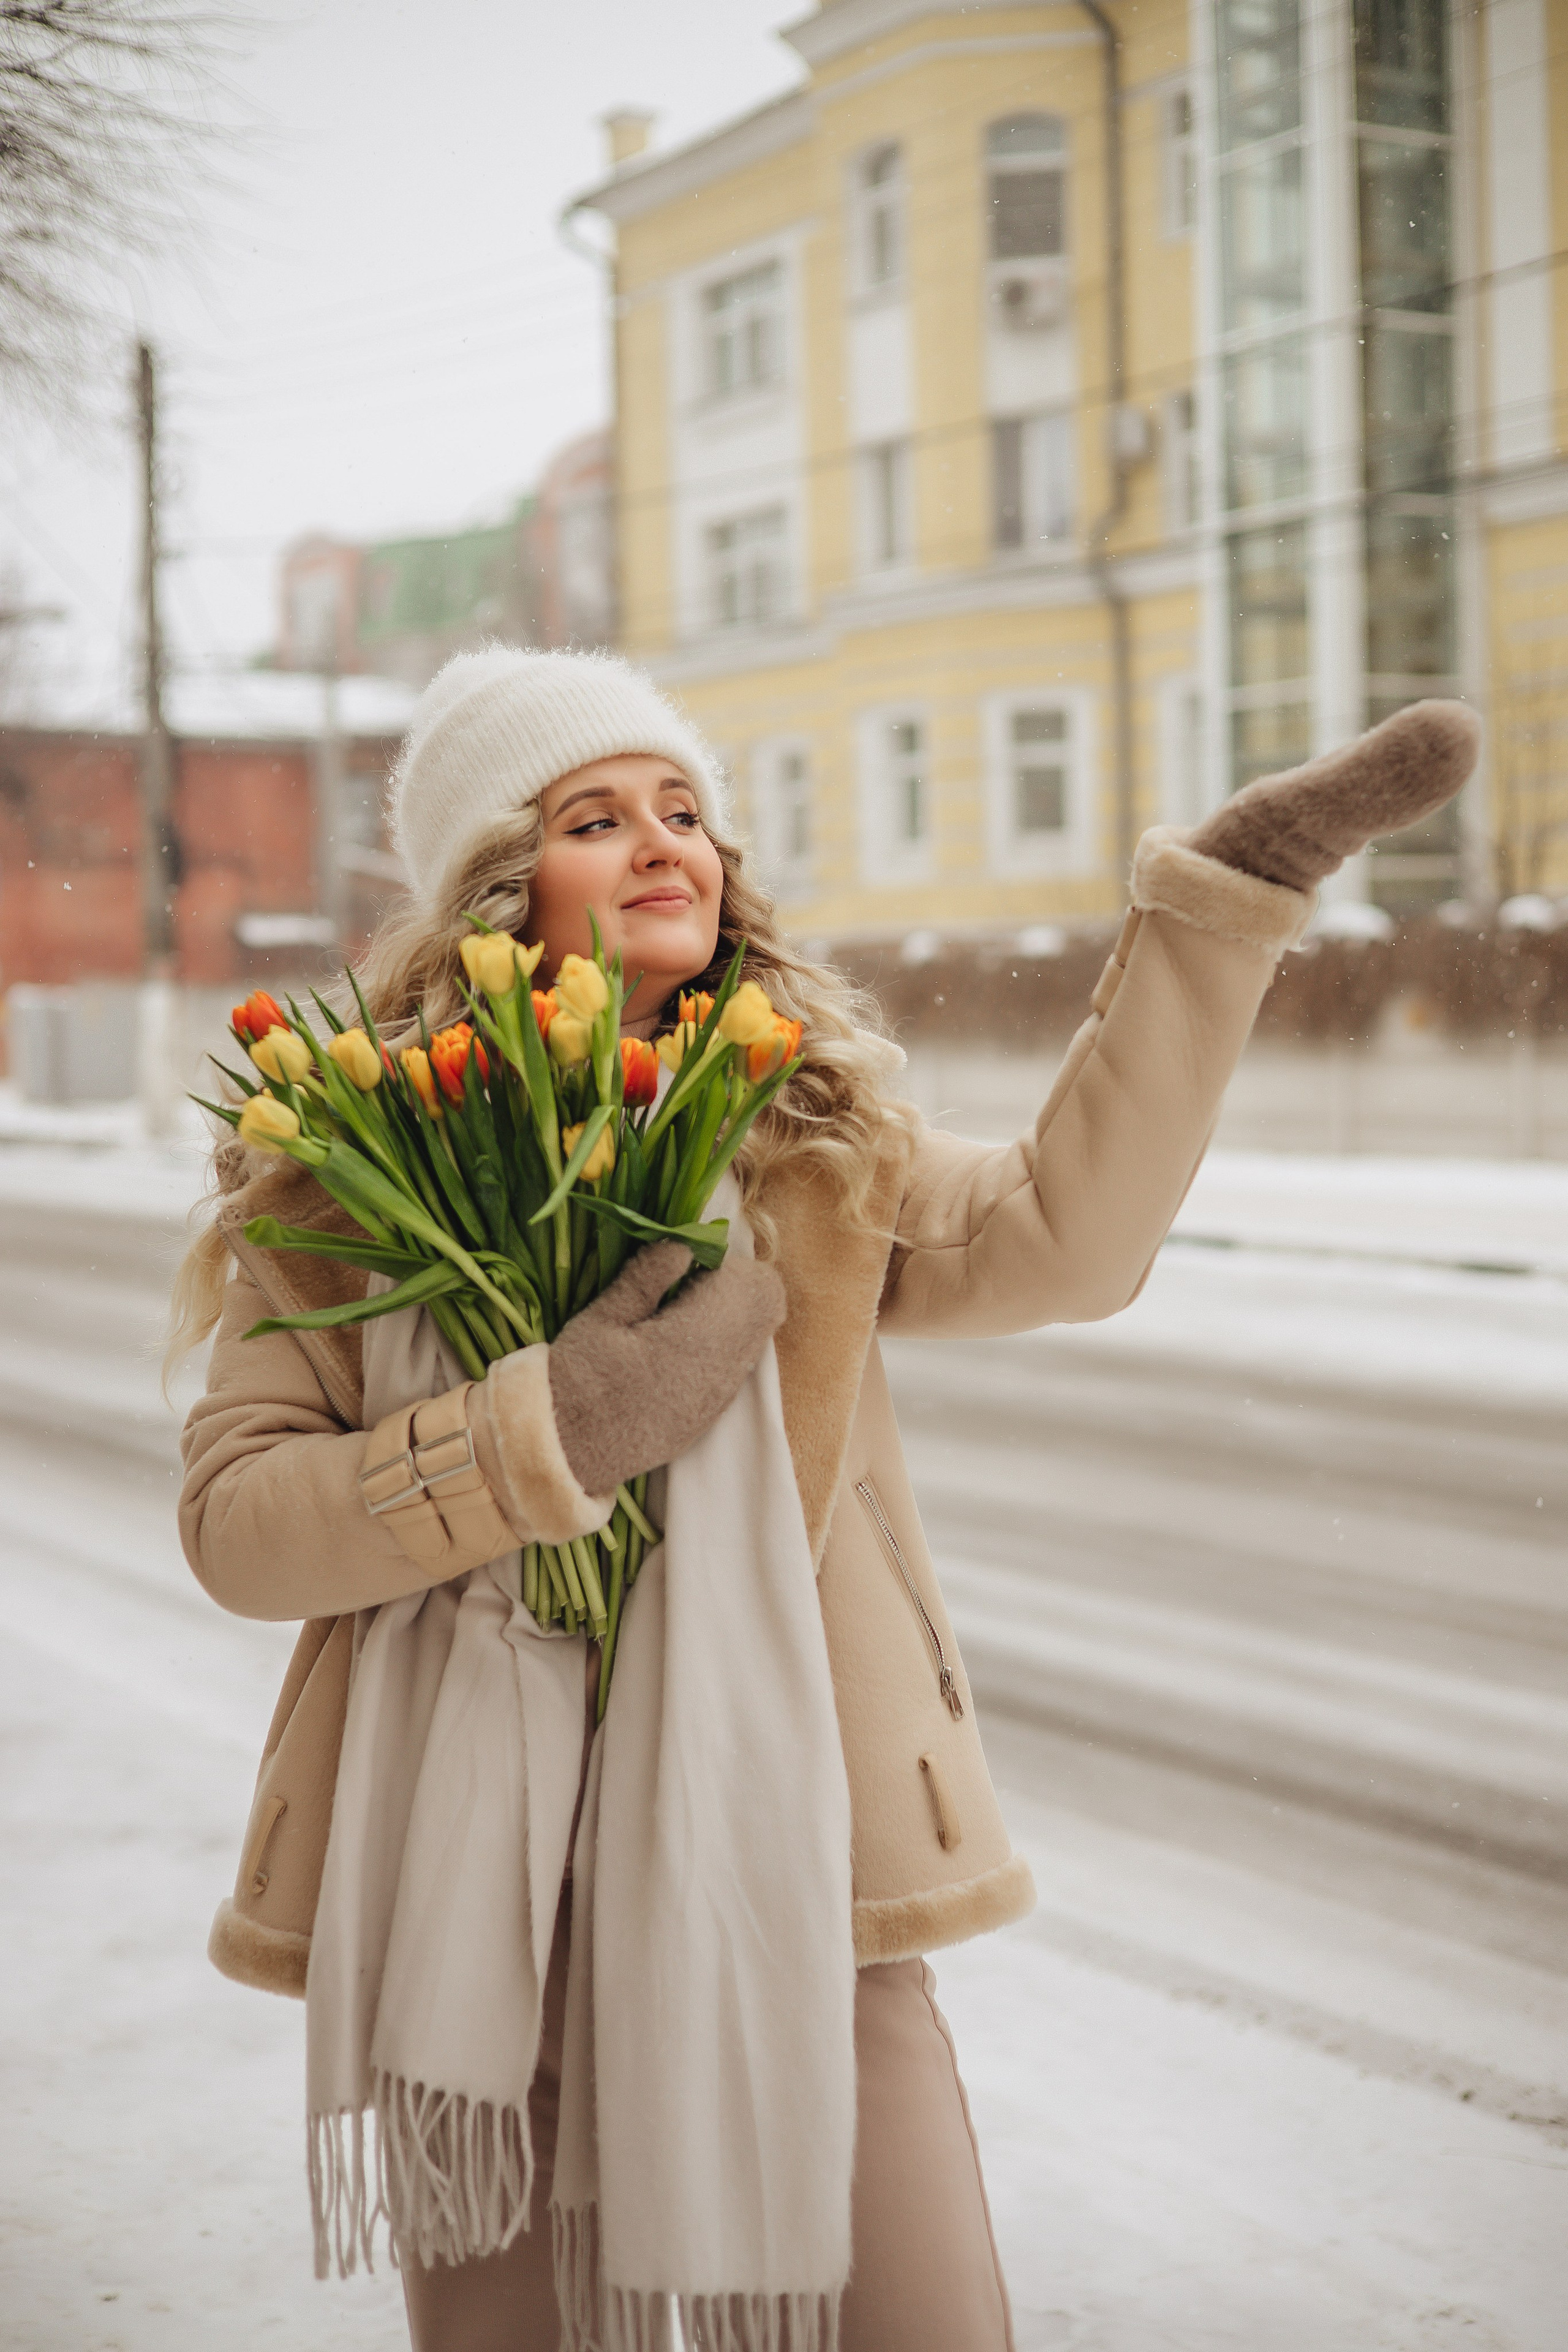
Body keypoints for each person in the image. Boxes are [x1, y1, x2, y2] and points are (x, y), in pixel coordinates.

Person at [174, 649, 1477, 2352]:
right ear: (497, 888)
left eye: (688, 811)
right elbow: (243, 1525)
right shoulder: (348, 1170)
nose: (667, 845)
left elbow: (1069, 1238)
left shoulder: (806, 1146)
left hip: (801, 1896)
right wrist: (545, 1427)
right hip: (464, 1923)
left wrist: (1219, 910)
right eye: (597, 816)